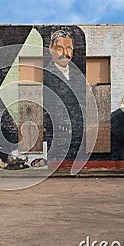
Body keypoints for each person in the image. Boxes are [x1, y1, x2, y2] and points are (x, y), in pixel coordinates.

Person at [44, 30, 86, 161]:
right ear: (51, 49)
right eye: (60, 48)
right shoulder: (45, 75)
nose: (64, 53)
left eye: (68, 48)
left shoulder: (79, 76)